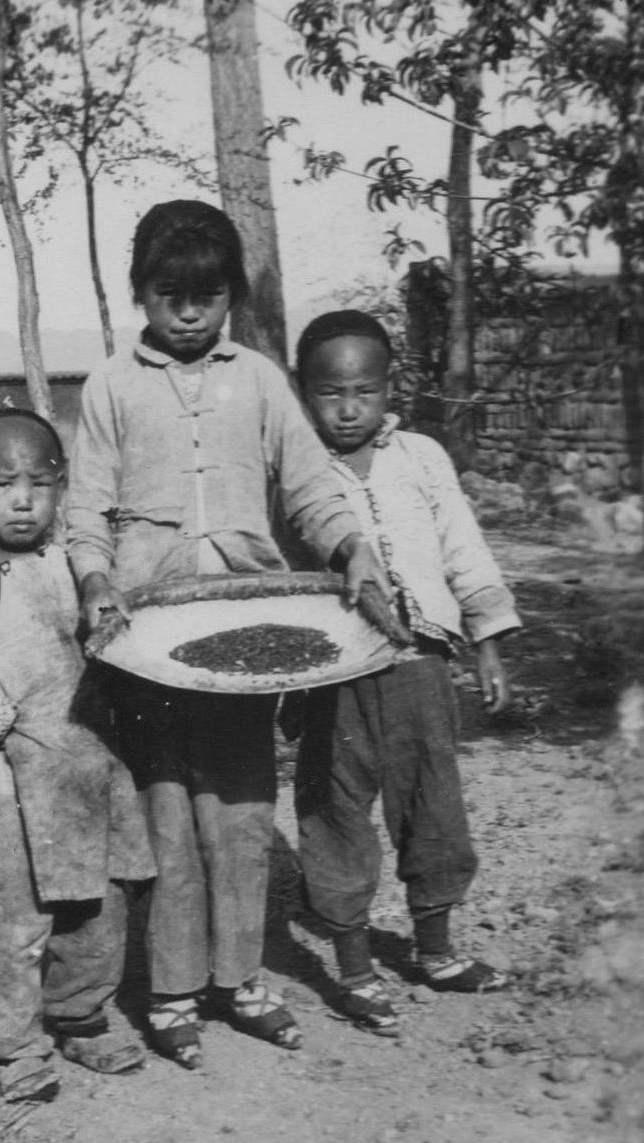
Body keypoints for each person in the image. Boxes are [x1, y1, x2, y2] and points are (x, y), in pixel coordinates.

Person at [66, 200, 391, 1069]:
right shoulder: (110, 385)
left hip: (249, 627)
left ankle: (240, 980)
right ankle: (172, 991)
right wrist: (97, 579)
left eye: (205, 297)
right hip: (148, 637)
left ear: (231, 298)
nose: (186, 313)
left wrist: (352, 548)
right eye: (169, 294)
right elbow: (87, 508)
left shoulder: (256, 379)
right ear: (141, 293)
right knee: (168, 816)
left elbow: (310, 486)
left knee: (242, 814)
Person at [289, 309, 521, 1038]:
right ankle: (353, 968)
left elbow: (462, 547)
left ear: (389, 387)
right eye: (330, 393)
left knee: (432, 807)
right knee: (335, 813)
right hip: (332, 676)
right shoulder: (294, 474)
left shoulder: (421, 458)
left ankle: (436, 949)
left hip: (419, 664)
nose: (348, 408)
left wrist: (486, 638)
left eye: (363, 390)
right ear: (304, 392)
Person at [0, 408, 155, 1102]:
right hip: (19, 780)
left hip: (93, 769)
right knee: (15, 924)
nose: (21, 500)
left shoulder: (72, 567)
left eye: (38, 483)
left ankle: (79, 1015)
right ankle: (13, 1044)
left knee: (100, 909)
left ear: (61, 486)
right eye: (1, 483)